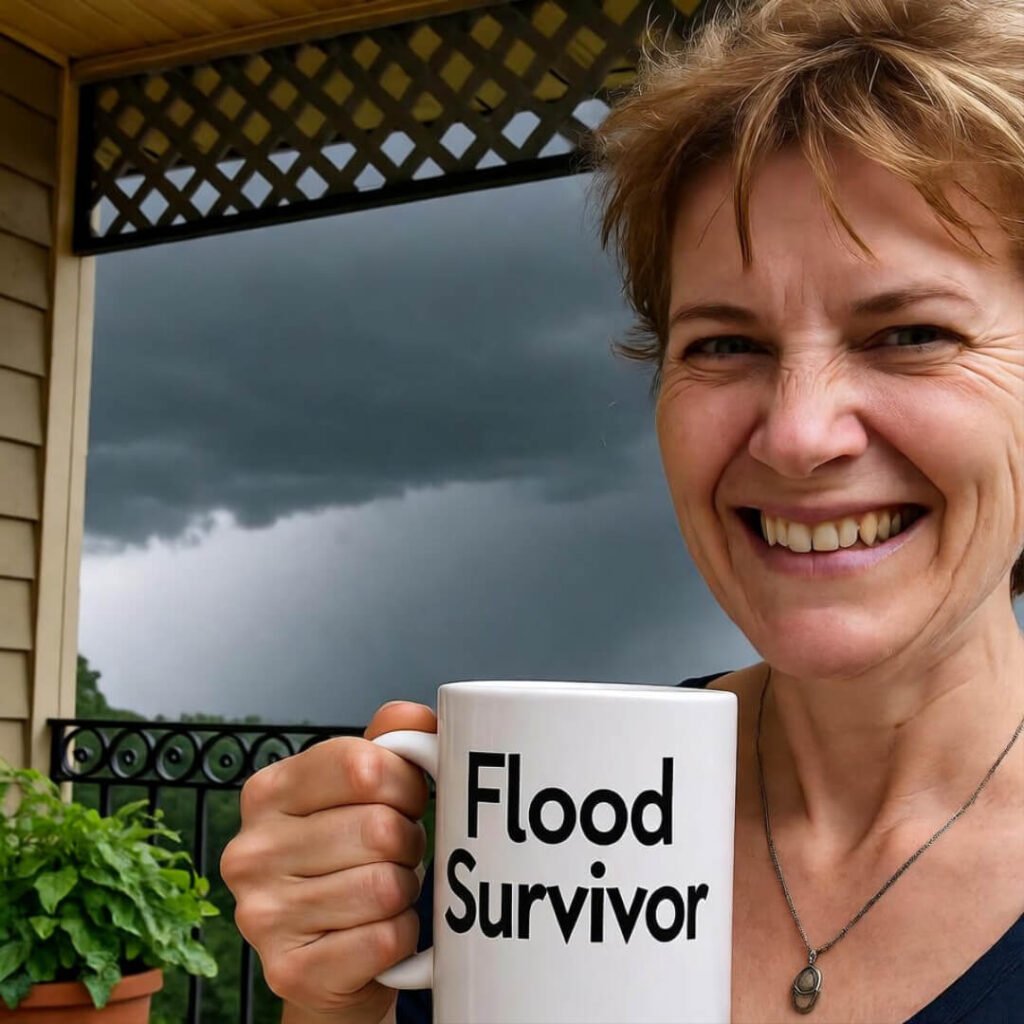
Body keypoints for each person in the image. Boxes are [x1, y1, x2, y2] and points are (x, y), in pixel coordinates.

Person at [221, 0, 1024, 1020]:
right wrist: (337, 1001)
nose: (797, 432)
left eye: (908, 331)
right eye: (723, 344)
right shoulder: (534, 837)